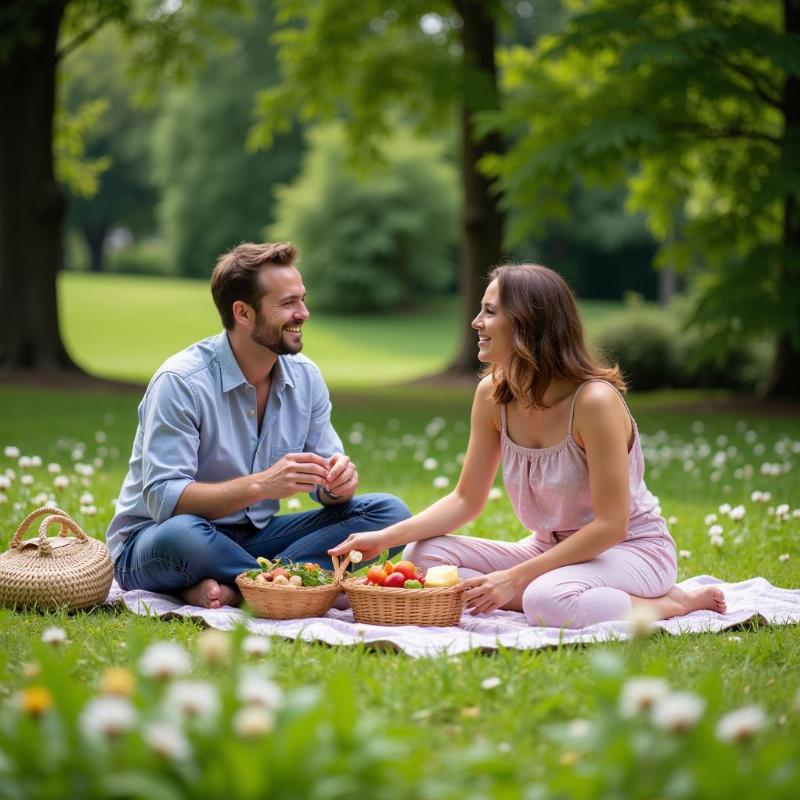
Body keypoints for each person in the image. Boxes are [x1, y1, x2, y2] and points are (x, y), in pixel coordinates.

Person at [330, 264, 726, 628]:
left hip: (631, 550)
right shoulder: (493, 395)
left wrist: (516, 577)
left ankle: (673, 603)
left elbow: (611, 526)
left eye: (489, 312)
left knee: (546, 599)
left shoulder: (594, 402)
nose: (475, 322)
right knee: (424, 556)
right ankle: (574, 595)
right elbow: (466, 499)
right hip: (548, 549)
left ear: (528, 323)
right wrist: (385, 539)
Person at [107, 241, 410, 609]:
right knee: (184, 536)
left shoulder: (306, 378)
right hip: (158, 541)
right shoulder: (181, 382)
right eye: (288, 304)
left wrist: (337, 486)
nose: (304, 313)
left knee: (388, 515)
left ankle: (243, 588)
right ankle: (293, 588)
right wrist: (262, 485)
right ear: (243, 313)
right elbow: (167, 502)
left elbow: (326, 489)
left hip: (253, 539)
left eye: (302, 299)